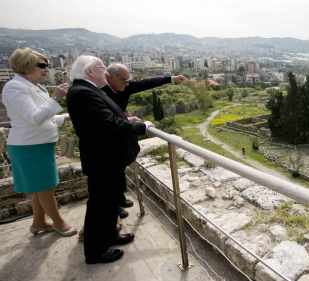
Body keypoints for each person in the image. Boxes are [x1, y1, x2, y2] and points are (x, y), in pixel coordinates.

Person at [66, 55, 150, 264]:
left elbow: (104, 118)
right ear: (89, 72)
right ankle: (96, 251)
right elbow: (106, 125)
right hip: (102, 159)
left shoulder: (86, 90)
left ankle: (110, 235)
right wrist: (141, 127)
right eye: (101, 68)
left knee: (109, 202)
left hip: (106, 159)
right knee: (100, 206)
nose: (105, 72)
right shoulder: (83, 93)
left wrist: (124, 118)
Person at [2, 48, 77, 237]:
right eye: (42, 65)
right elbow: (34, 117)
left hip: (38, 144)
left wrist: (67, 117)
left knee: (39, 187)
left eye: (47, 65)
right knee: (45, 187)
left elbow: (45, 116)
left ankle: (38, 223)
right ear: (27, 66)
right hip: (29, 146)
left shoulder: (34, 86)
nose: (46, 69)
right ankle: (59, 223)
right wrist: (57, 97)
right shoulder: (15, 88)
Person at [102, 63, 186, 218]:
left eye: (128, 80)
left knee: (119, 169)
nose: (127, 84)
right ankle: (114, 207)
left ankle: (119, 198)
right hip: (108, 140)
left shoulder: (124, 87)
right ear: (109, 77)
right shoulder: (100, 93)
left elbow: (146, 83)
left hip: (120, 136)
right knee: (111, 174)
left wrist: (171, 79)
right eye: (123, 80)